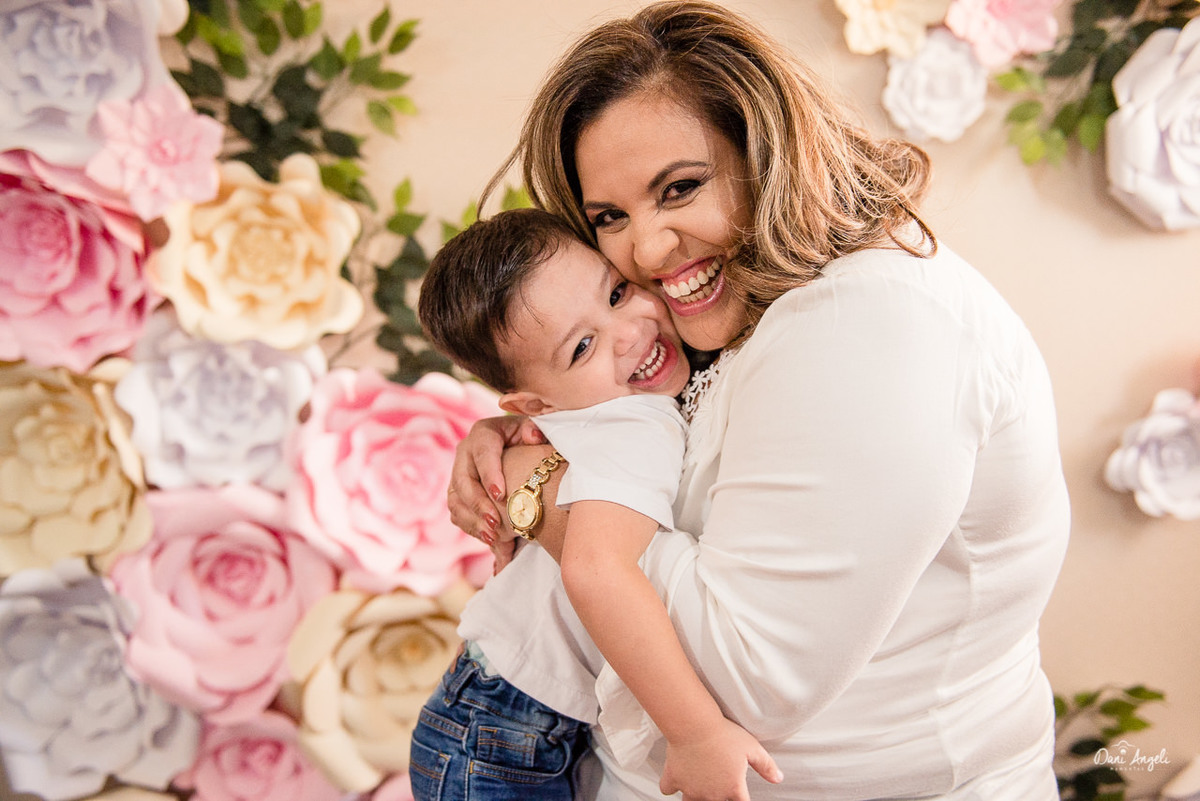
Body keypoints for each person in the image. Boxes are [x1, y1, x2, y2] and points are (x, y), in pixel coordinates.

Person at [446, 2, 1072, 800]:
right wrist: (542, 427)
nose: (645, 248)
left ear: (771, 153)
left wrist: (538, 485)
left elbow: (750, 675)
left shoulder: (868, 322)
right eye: (610, 217)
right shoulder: (740, 302)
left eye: (680, 188)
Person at [411, 207, 782, 801]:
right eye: (583, 346)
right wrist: (695, 733)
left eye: (616, 293)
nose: (630, 332)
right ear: (535, 405)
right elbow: (595, 570)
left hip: (495, 712)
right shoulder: (636, 425)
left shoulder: (601, 408)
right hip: (502, 730)